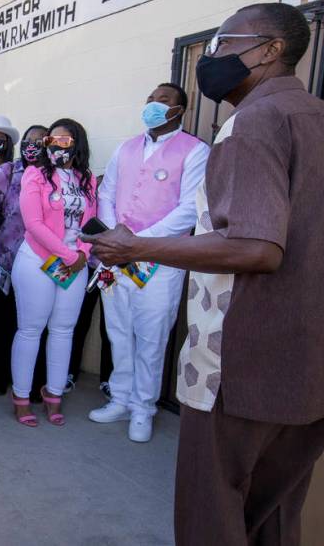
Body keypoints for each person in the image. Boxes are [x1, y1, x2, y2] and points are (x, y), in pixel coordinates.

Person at [84, 3, 324, 546]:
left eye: (223, 42)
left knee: (211, 513)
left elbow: (256, 246)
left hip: (238, 365)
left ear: (269, 50)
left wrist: (136, 248)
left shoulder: (253, 122)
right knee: (276, 518)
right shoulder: (317, 116)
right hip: (309, 369)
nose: (212, 57)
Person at [87, 83, 209, 443]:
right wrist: (112, 237)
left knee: (151, 337)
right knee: (118, 331)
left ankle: (143, 408)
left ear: (180, 110)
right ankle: (121, 398)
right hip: (114, 259)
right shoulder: (126, 148)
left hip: (159, 261)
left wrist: (137, 244)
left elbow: (190, 208)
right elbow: (105, 192)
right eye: (151, 99)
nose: (155, 104)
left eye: (164, 100)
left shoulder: (196, 151)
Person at [10, 119, 96, 427]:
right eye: (54, 138)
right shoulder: (35, 174)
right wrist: (70, 255)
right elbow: (33, 223)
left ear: (77, 143)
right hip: (37, 260)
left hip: (74, 264)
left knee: (63, 330)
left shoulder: (86, 178)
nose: (59, 143)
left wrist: (83, 254)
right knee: (31, 329)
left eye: (66, 138)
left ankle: (54, 393)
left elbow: (90, 223)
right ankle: (21, 397)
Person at [0, 124, 47, 396]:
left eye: (41, 141)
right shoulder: (8, 171)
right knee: (0, 320)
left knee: (32, 322)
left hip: (42, 264)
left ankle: (33, 380)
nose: (34, 145)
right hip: (6, 258)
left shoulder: (54, 176)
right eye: (29, 140)